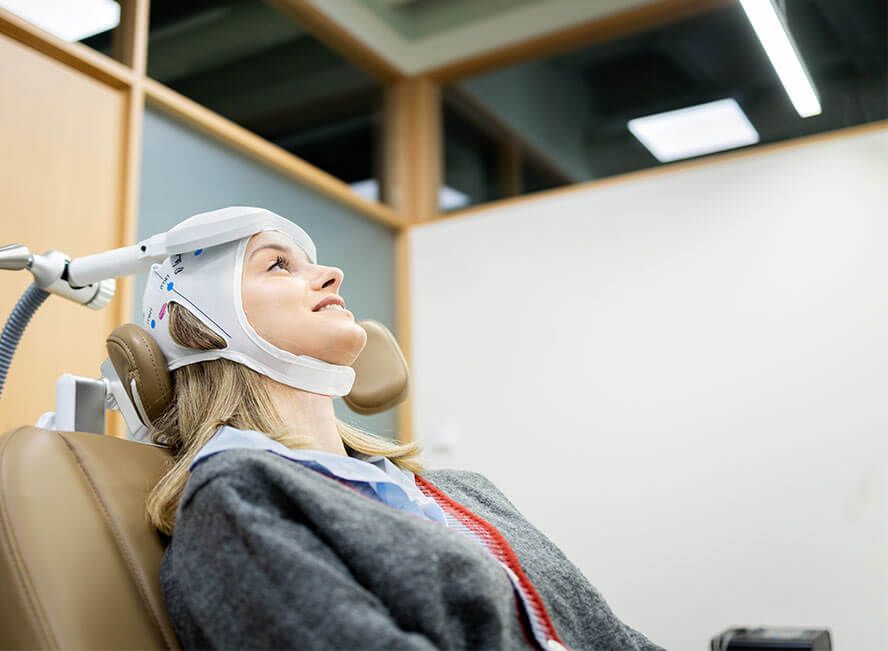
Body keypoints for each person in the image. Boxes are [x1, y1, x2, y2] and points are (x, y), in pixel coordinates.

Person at [142, 207, 661, 650]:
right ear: (198, 324)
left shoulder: (463, 490)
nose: (333, 275)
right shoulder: (236, 498)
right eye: (278, 264)